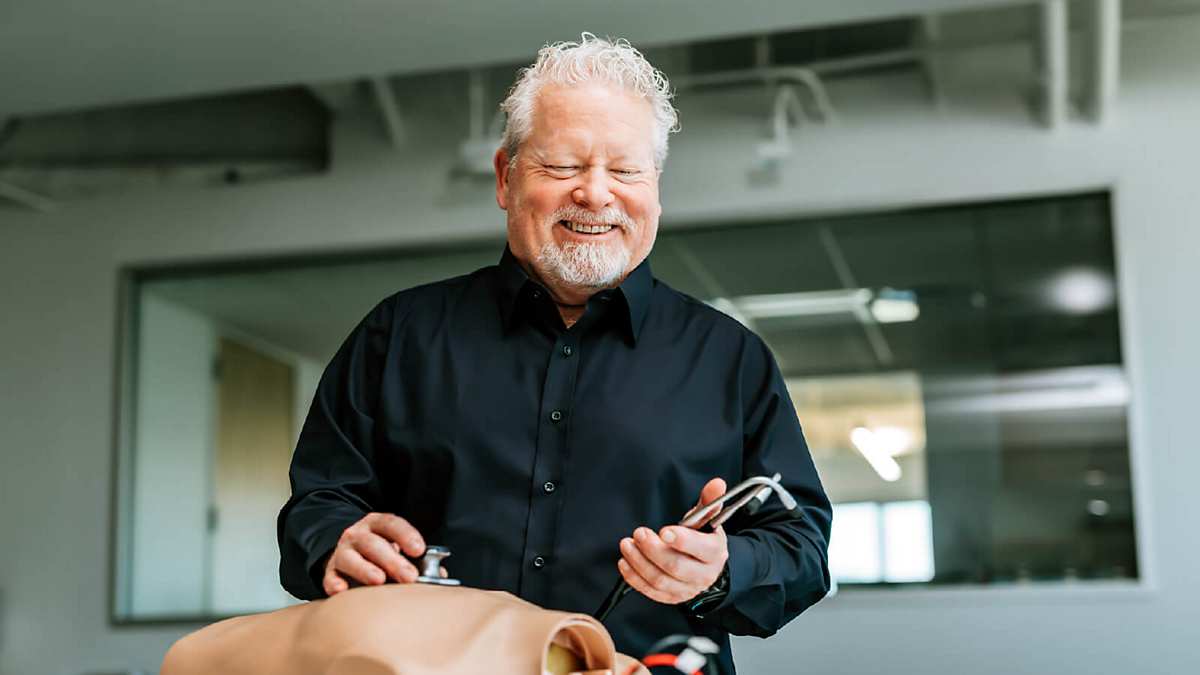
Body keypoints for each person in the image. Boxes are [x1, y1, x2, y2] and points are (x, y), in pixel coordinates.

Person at [277, 33, 831, 673]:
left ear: (655, 187)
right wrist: (333, 544)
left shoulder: (730, 359)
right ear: (506, 178)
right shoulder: (398, 335)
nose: (596, 194)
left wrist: (722, 570)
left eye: (625, 170)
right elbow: (316, 506)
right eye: (564, 166)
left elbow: (803, 551)